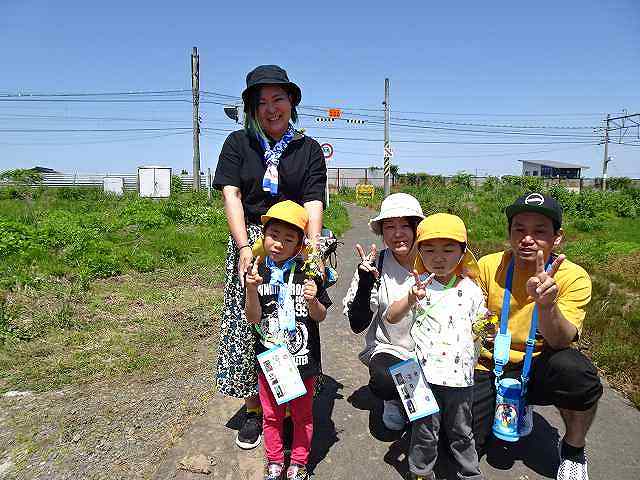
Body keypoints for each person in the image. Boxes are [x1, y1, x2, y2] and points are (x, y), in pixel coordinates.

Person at [213, 65, 327, 450]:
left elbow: (313, 201)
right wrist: (244, 247)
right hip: (252, 236)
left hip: (296, 242)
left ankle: (291, 407)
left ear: (291, 102)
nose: (271, 108)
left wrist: (312, 251)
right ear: (252, 108)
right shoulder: (237, 143)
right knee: (248, 320)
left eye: (278, 98)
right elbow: (232, 195)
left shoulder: (308, 149)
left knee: (293, 318)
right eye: (261, 102)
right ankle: (253, 408)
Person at [472, 192, 603, 480]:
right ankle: (511, 402)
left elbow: (561, 340)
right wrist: (483, 326)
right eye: (519, 229)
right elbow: (475, 324)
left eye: (540, 231)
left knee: (577, 373)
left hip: (540, 363)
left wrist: (547, 305)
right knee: (466, 444)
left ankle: (573, 450)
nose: (527, 239)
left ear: (557, 237)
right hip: (492, 363)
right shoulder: (488, 266)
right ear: (509, 233)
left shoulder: (572, 276)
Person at [386, 213, 485, 480]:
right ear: (420, 252)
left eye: (448, 250)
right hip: (423, 378)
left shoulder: (472, 290)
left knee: (462, 431)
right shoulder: (417, 285)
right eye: (429, 250)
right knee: (424, 431)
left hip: (461, 379)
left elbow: (481, 329)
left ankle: (470, 473)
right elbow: (391, 316)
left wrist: (488, 327)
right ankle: (420, 472)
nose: (438, 258)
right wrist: (410, 298)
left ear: (463, 252)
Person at [245, 200, 331, 480]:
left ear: (300, 244)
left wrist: (313, 300)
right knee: (271, 415)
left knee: (302, 416)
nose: (279, 244)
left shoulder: (309, 272)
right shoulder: (257, 272)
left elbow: (320, 316)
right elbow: (253, 318)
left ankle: (298, 462)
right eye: (273, 235)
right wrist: (250, 289)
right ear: (263, 236)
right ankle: (274, 461)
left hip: (303, 361)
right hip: (269, 360)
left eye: (289, 238)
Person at [342, 192, 425, 430]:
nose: (397, 233)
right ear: (381, 232)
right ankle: (394, 399)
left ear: (417, 228)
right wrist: (365, 282)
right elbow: (357, 325)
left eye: (405, 226)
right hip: (391, 348)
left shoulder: (435, 259)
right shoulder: (375, 264)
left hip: (432, 350)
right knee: (384, 379)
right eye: (389, 227)